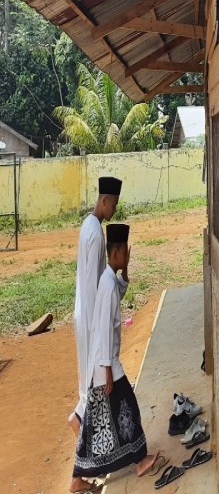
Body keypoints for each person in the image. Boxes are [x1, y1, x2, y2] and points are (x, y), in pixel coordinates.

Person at [71, 223, 161, 491]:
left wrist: (127, 271)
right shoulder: (107, 285)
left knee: (97, 422)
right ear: (118, 253)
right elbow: (102, 330)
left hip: (104, 362)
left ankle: (77, 478)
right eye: (126, 255)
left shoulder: (109, 279)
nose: (127, 257)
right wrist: (108, 370)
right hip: (106, 363)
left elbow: (118, 295)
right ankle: (140, 460)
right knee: (128, 408)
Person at [69, 176, 125, 436]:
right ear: (104, 200)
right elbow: (93, 283)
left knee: (90, 376)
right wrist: (98, 325)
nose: (114, 211)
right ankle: (80, 418)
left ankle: (81, 417)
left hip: (85, 312)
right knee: (93, 378)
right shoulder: (95, 233)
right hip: (90, 316)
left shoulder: (88, 226)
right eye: (113, 205)